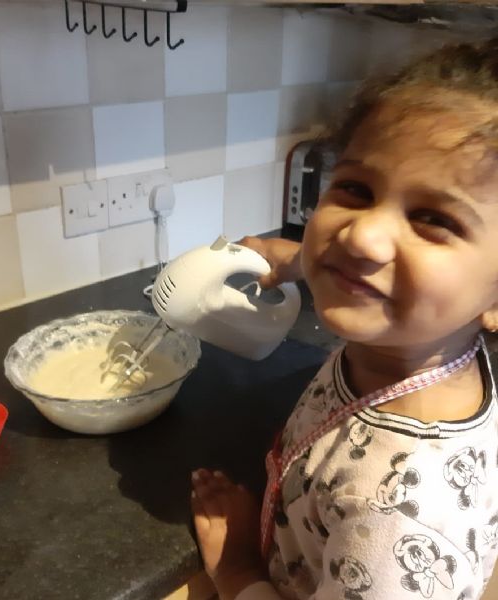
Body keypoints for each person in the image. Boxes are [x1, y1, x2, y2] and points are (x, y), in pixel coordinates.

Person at [190, 37, 498, 600]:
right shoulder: (419, 345)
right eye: (355, 189)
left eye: (433, 219)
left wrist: (236, 570)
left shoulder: (392, 518)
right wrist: (296, 258)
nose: (361, 235)